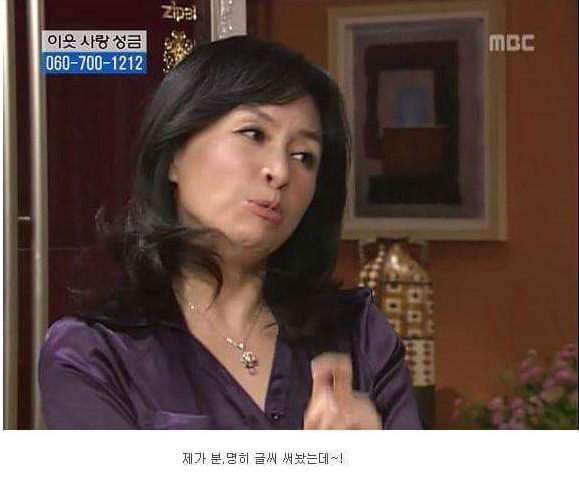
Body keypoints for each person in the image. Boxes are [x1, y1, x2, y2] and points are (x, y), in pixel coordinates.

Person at [38, 35, 423, 430]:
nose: (280, 171)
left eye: (303, 156)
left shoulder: (360, 335)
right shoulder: (92, 354)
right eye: (254, 134)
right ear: (174, 152)